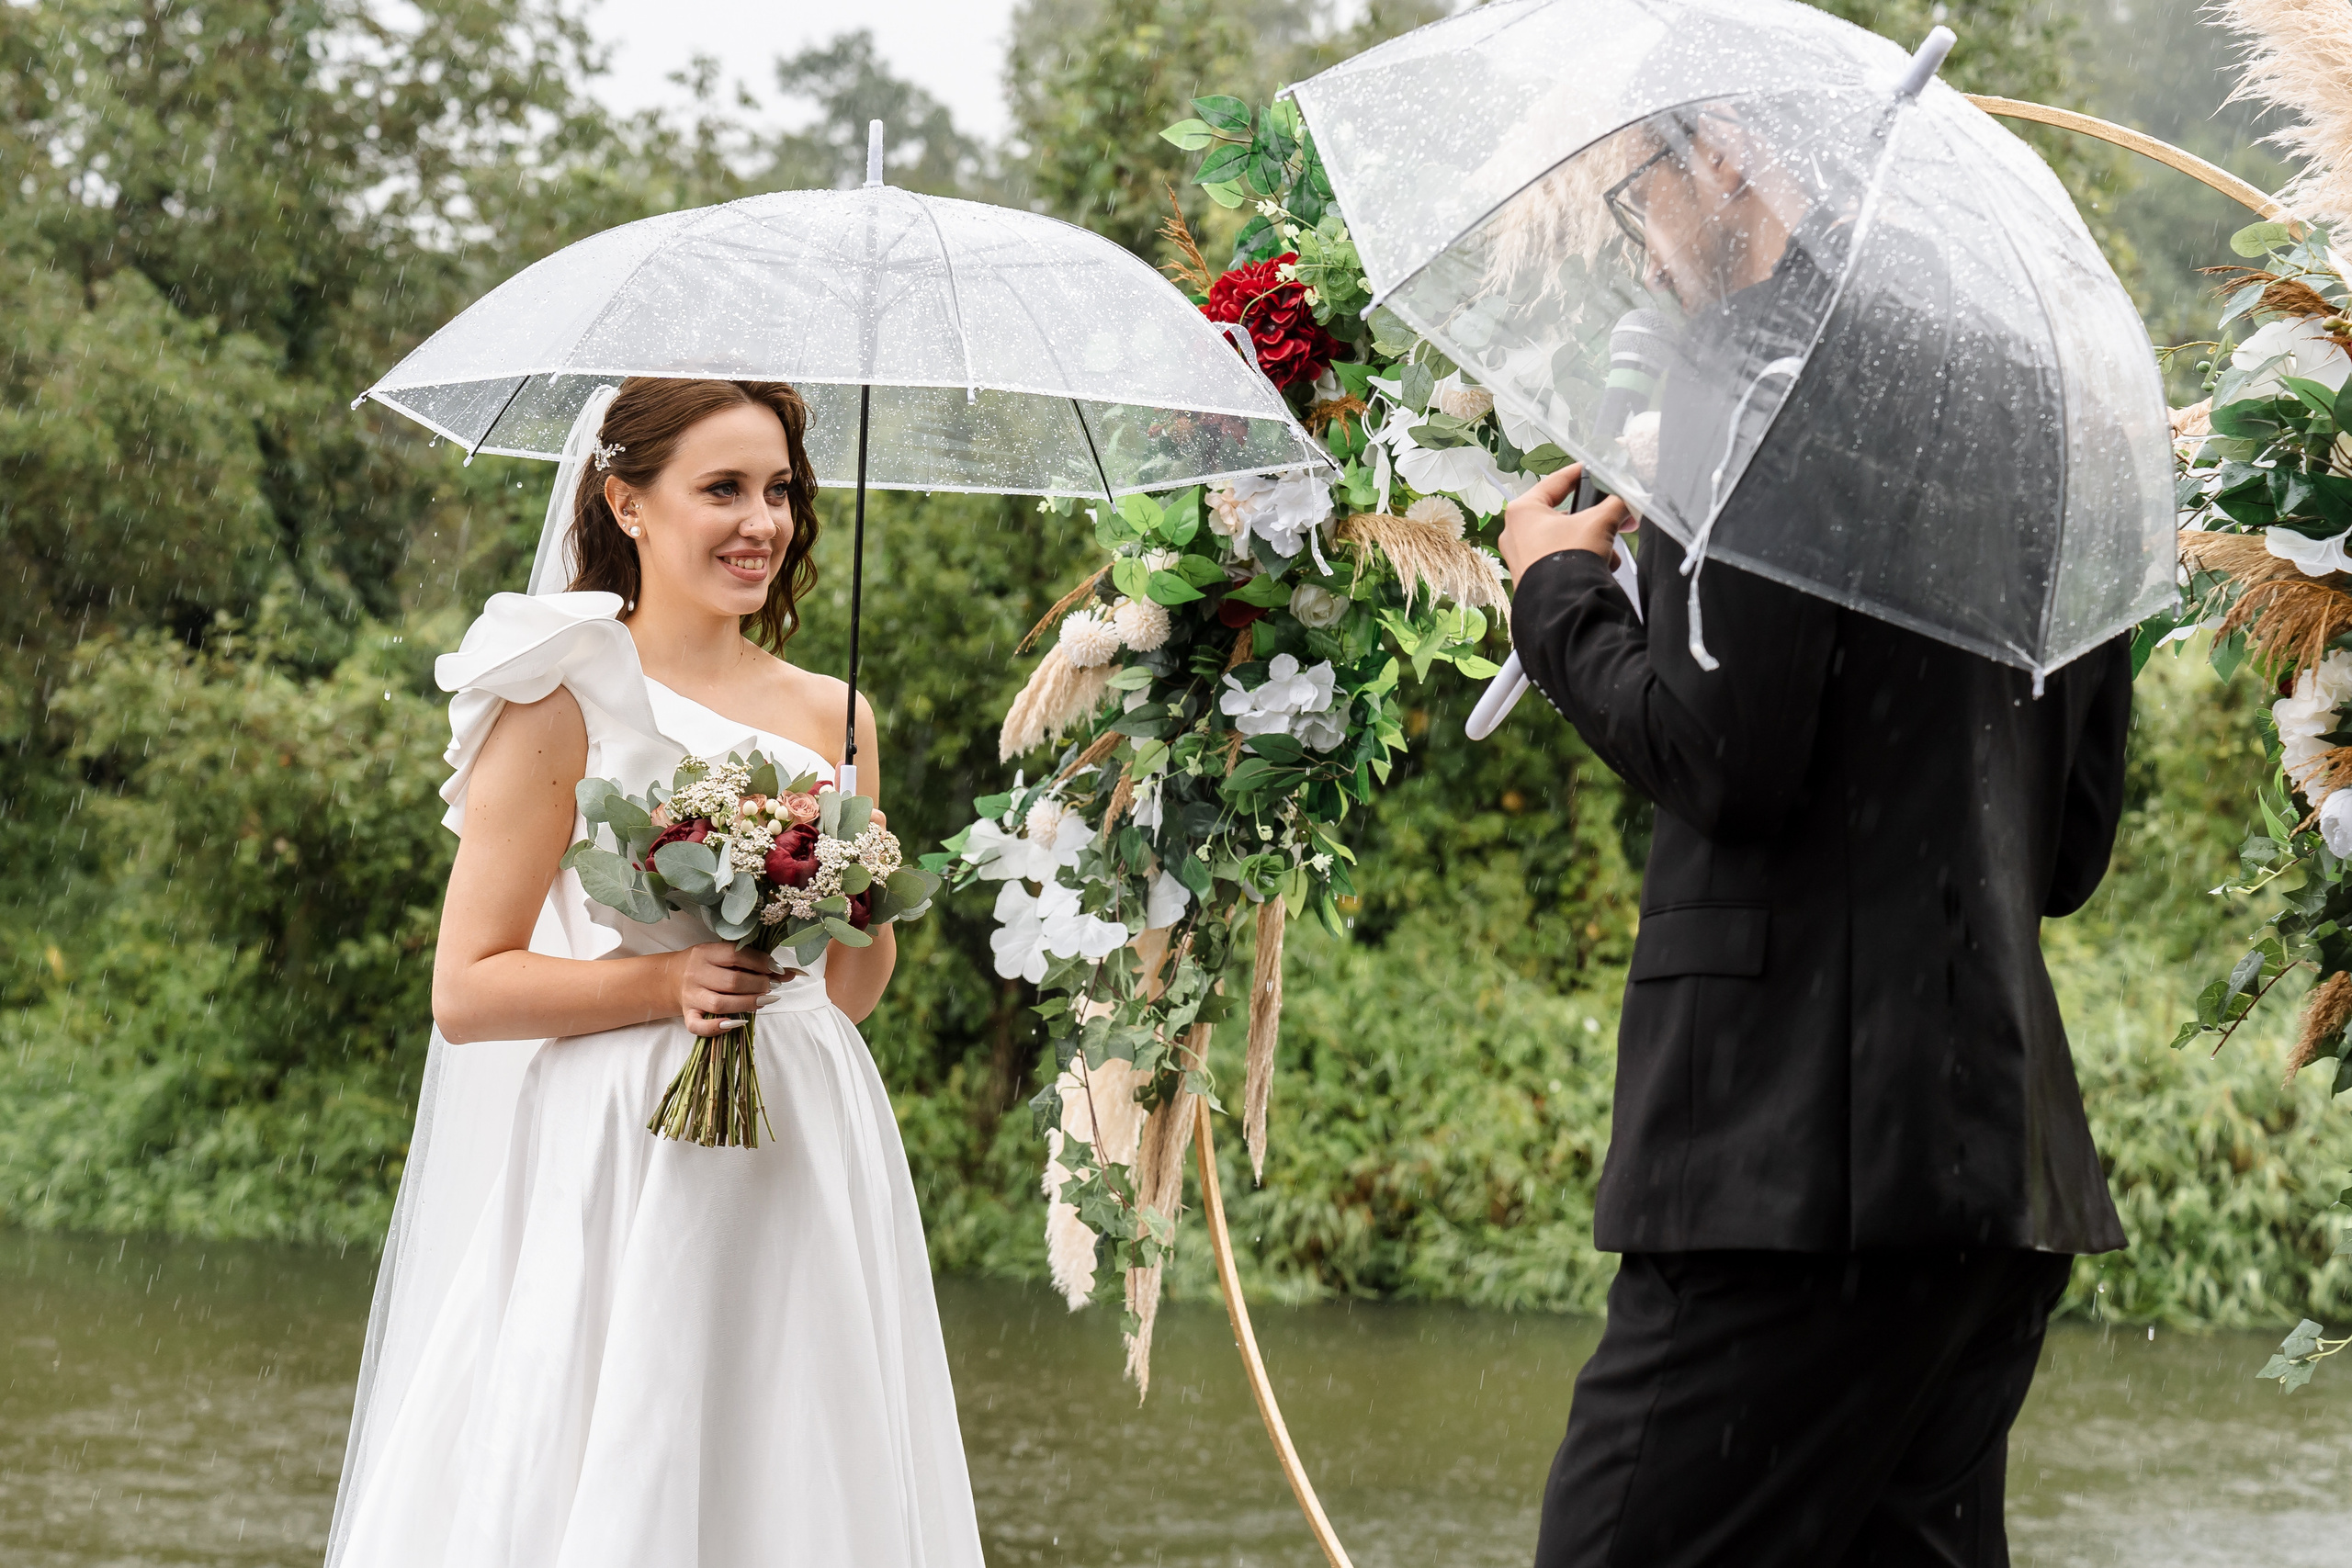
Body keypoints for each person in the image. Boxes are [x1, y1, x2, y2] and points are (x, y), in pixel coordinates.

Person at [1496, 107, 2133, 1567]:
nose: (1642, 249)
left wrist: (1557, 599)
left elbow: (1726, 757)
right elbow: (2071, 848)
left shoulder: (1757, 370)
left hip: (1786, 1169)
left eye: (1636, 196)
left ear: (1724, 153)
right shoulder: (2039, 410)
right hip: (1993, 1172)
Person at [325, 378, 985, 1568]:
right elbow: (467, 990)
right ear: (627, 503)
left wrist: (854, 892)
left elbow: (843, 995)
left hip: (808, 1130)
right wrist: (665, 985)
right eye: (722, 489)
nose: (762, 522)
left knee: (799, 1453)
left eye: (779, 490)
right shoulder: (562, 692)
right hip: (625, 1140)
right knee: (630, 1443)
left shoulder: (837, 715)